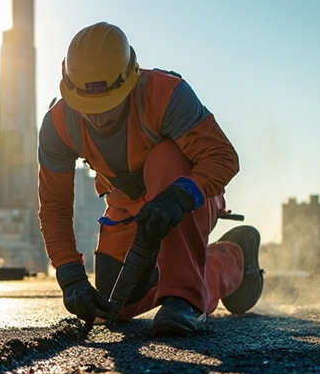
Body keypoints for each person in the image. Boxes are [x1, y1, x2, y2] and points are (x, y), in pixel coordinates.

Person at [37, 22, 263, 335]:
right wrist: (70, 275)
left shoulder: (165, 95)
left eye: (108, 105)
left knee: (164, 158)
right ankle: (229, 258)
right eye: (88, 107)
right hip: (129, 208)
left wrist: (179, 197)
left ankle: (186, 298)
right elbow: (55, 207)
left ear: (129, 82)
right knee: (115, 307)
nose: (98, 118)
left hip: (187, 198)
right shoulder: (59, 125)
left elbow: (223, 157)